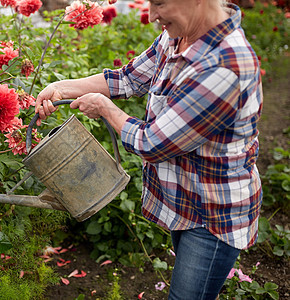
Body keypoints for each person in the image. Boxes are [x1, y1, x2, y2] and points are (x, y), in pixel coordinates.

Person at [35, 0, 263, 299]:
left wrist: (104, 108)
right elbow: (128, 78)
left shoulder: (226, 66)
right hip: (187, 202)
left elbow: (153, 143)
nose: (152, 15)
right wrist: (63, 87)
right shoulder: (180, 36)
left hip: (213, 216)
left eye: (159, 3)